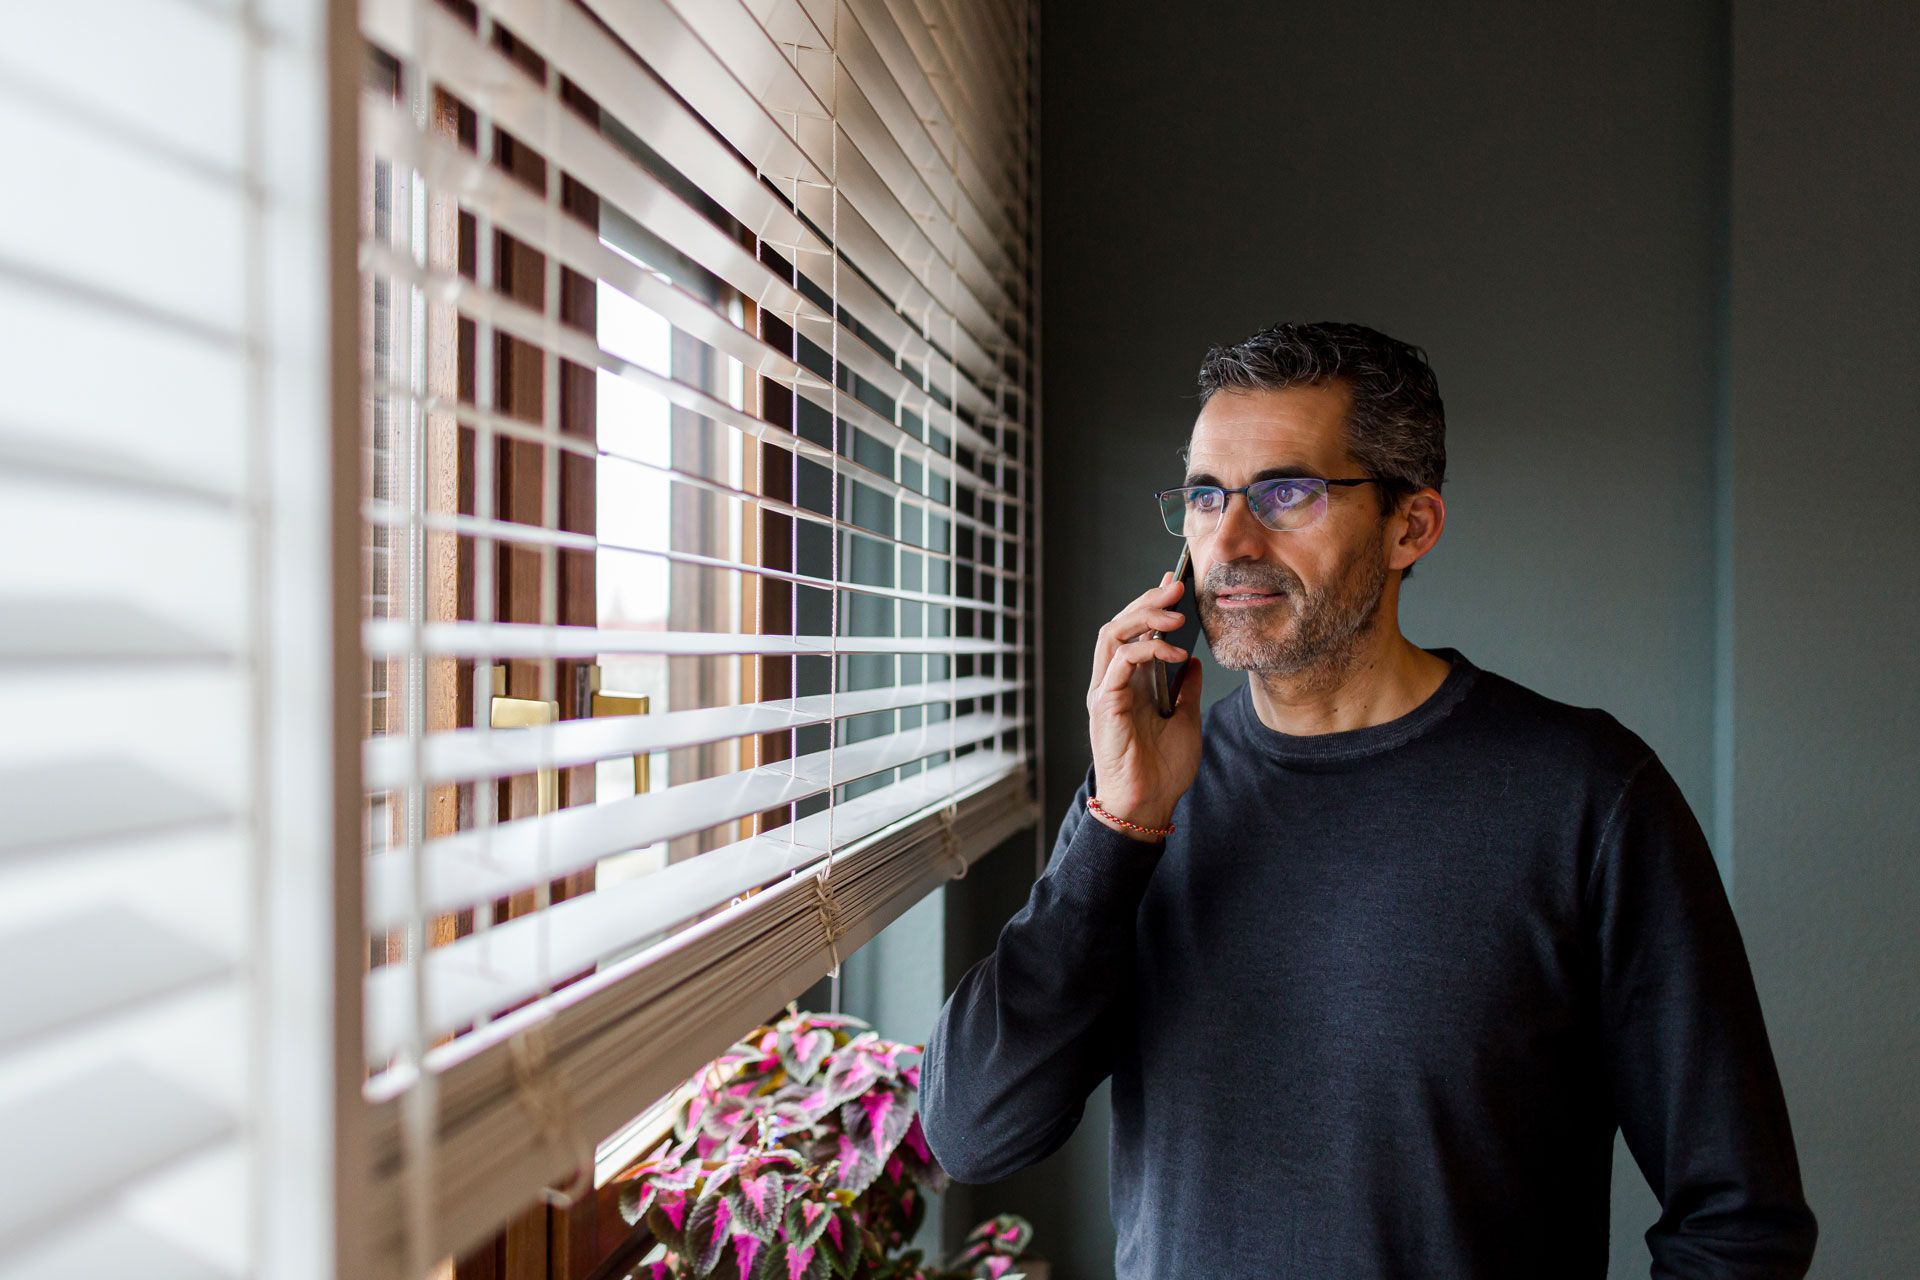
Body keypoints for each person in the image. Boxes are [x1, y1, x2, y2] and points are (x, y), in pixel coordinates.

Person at [917, 322, 1817, 1278]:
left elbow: (1738, 1221)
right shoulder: (1144, 802)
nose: (1230, 540)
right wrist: (1119, 829)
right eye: (1205, 495)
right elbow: (974, 1132)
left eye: (1288, 493)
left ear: (1410, 526)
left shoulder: (1586, 795)